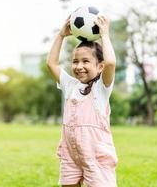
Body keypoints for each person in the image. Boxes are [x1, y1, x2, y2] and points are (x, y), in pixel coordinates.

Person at [46, 14, 118, 187]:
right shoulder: (71, 85)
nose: (79, 66)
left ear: (99, 66)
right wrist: (61, 35)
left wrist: (105, 35)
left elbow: (110, 63)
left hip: (96, 156)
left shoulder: (101, 88)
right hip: (71, 154)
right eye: (75, 61)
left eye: (86, 61)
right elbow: (51, 64)